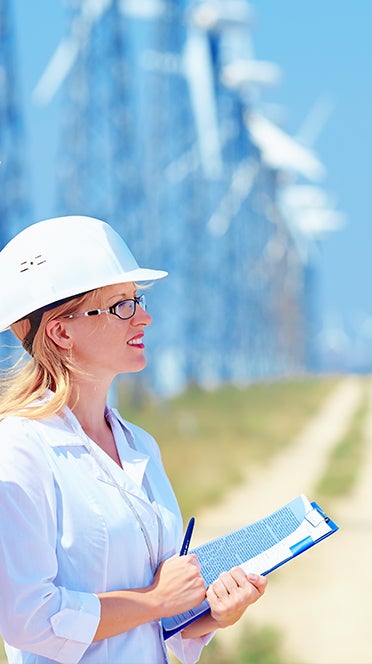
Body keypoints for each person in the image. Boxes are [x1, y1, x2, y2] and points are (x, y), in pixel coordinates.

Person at [0, 215, 267, 664]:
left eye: (136, 300)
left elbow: (163, 620)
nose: (143, 316)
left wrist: (215, 613)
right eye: (121, 305)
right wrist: (156, 599)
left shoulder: (139, 444)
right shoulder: (18, 451)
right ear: (61, 331)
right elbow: (27, 619)